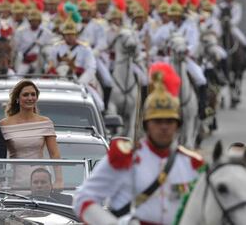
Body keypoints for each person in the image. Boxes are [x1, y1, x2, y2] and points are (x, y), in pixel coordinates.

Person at [73, 63, 205, 225]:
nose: (164, 127)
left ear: (178, 125)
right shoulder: (124, 158)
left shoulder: (191, 163)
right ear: (146, 124)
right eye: (157, 121)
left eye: (170, 121)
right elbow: (83, 198)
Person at [0, 80, 62, 189]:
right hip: (15, 181)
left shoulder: (45, 122)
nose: (30, 98)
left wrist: (59, 180)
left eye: (33, 94)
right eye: (25, 95)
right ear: (17, 98)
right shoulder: (4, 124)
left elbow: (54, 154)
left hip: (40, 181)